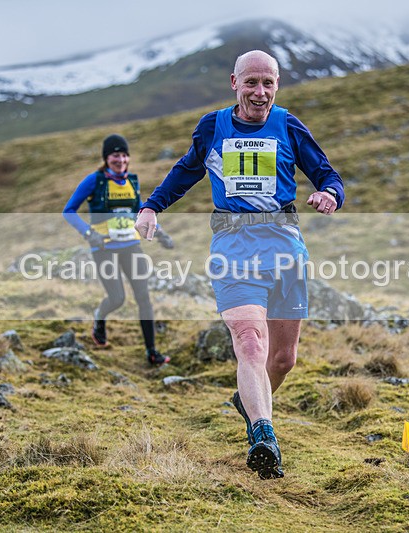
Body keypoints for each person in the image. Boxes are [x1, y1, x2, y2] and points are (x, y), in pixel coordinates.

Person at [135, 50, 344, 479]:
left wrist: (330, 195)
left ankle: (246, 400)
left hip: (285, 246)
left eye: (268, 82)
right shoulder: (214, 126)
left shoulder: (287, 124)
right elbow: (186, 170)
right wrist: (152, 206)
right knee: (251, 342)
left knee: (283, 360)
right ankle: (263, 434)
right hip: (233, 246)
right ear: (234, 83)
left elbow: (328, 174)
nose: (260, 92)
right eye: (251, 82)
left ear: (277, 85)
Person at [63, 134, 174, 366]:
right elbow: (69, 211)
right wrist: (88, 233)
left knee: (144, 298)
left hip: (131, 247)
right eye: (115, 155)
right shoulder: (94, 181)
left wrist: (160, 232)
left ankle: (152, 352)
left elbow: (139, 211)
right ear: (106, 158)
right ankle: (99, 319)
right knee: (117, 298)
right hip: (104, 249)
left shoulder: (132, 181)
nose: (120, 159)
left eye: (124, 155)